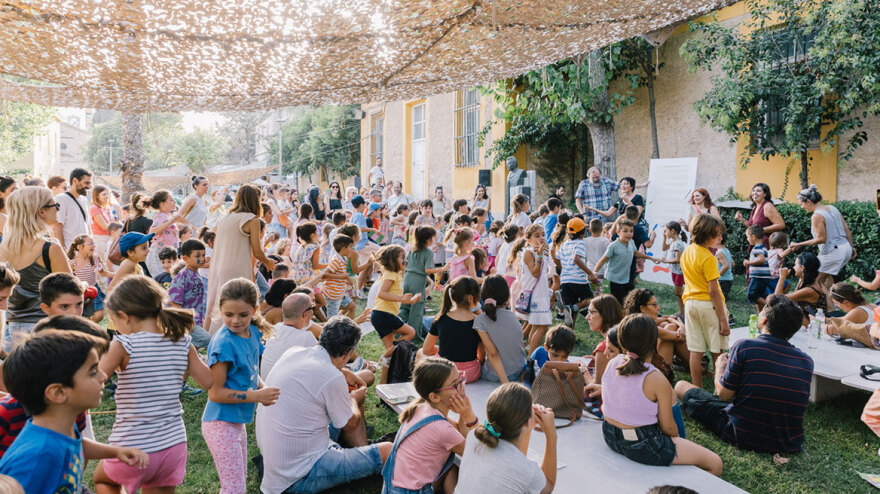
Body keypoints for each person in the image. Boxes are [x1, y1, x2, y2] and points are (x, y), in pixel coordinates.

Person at [94, 276, 213, 494]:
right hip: (173, 445)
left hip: (132, 445)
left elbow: (95, 381)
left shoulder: (123, 344)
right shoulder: (183, 340)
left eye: (115, 321)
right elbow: (208, 382)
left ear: (124, 316)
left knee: (103, 481)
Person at [256, 315, 393, 494]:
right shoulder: (331, 376)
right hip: (298, 477)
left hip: (276, 463)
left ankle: (361, 451)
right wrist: (353, 399)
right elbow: (350, 424)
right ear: (348, 353)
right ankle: (363, 453)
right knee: (388, 451)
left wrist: (343, 371)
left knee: (358, 383)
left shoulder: (295, 352)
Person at [0, 330, 148, 492]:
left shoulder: (58, 428)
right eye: (92, 371)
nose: (103, 376)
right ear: (58, 393)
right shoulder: (38, 458)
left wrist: (116, 451)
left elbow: (77, 444)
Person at [675, 295, 813, 453]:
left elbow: (723, 394)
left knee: (681, 386)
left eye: (762, 312)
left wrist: (720, 367)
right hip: (787, 442)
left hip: (741, 433)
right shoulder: (806, 361)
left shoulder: (745, 346)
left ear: (764, 321)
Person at [591, 314, 722, 475]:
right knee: (715, 463)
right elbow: (669, 428)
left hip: (610, 435)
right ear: (655, 342)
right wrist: (675, 440)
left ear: (622, 341)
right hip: (643, 445)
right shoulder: (655, 378)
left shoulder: (613, 362)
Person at [202, 278, 280, 492]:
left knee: (238, 481)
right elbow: (215, 394)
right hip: (220, 423)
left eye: (243, 315)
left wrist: (262, 389)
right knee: (234, 488)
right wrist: (256, 397)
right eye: (228, 315)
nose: (235, 321)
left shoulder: (253, 332)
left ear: (254, 310)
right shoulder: (223, 343)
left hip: (237, 420)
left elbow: (252, 372)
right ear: (221, 310)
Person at [382, 357, 474, 494]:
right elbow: (477, 455)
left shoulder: (422, 407)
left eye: (461, 379)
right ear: (435, 397)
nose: (462, 386)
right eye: (455, 385)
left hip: (393, 487)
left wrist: (462, 411)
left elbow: (459, 431)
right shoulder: (442, 429)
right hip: (411, 491)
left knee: (452, 465)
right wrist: (469, 416)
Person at [0, 187, 71, 350]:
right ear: (41, 211)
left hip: (12, 328)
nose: (58, 209)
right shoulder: (50, 248)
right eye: (55, 205)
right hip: (45, 327)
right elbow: (70, 291)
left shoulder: (3, 247)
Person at [454, 383, 557, 494]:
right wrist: (551, 435)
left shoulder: (474, 437)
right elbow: (548, 485)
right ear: (527, 422)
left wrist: (527, 427)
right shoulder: (528, 471)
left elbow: (516, 454)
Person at [205, 185, 276, 334]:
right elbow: (257, 251)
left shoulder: (225, 218)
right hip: (238, 266)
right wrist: (268, 262)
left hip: (219, 266)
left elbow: (214, 232)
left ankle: (214, 335)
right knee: (241, 302)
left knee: (221, 301)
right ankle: (239, 334)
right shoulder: (252, 220)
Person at [680, 214, 729, 386]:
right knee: (717, 351)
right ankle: (719, 388)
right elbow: (714, 291)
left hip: (691, 305)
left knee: (696, 350)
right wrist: (723, 319)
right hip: (709, 306)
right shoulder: (708, 257)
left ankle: (696, 387)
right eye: (717, 235)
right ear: (705, 234)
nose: (720, 238)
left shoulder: (687, 251)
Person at [789, 185, 855, 293]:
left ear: (809, 201)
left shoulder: (816, 216)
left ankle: (828, 307)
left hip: (833, 251)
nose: (801, 207)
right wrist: (851, 247)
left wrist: (799, 244)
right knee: (826, 276)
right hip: (845, 248)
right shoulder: (832, 208)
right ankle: (832, 303)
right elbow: (846, 229)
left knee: (815, 280)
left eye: (801, 204)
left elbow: (821, 239)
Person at [422, 276, 482, 383]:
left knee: (419, 353)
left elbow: (426, 350)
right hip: (471, 374)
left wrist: (440, 349)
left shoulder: (441, 318)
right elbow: (482, 356)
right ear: (471, 298)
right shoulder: (479, 321)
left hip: (444, 372)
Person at [372, 245, 420, 379]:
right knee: (410, 332)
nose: (405, 260)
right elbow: (382, 293)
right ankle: (386, 355)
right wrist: (401, 298)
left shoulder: (395, 274)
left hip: (380, 315)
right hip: (383, 314)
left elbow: (395, 298)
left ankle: (384, 385)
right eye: (402, 258)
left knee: (392, 352)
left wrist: (410, 300)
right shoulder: (390, 274)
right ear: (393, 259)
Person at [592, 219, 658, 304]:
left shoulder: (631, 242)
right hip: (613, 279)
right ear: (618, 233)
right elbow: (602, 260)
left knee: (627, 301)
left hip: (626, 278)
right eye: (625, 231)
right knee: (616, 303)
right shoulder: (613, 246)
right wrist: (595, 272)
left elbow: (635, 252)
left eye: (631, 231)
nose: (629, 234)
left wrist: (650, 258)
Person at [399, 226, 448, 337]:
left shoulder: (412, 249)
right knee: (416, 309)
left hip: (407, 278)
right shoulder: (428, 252)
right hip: (418, 281)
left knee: (404, 306)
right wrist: (442, 269)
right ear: (428, 239)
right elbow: (427, 270)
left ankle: (398, 330)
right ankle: (415, 334)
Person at [475, 276, 525, 383]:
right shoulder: (513, 316)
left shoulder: (480, 321)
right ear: (507, 295)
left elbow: (491, 354)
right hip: (518, 369)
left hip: (494, 375)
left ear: (482, 295)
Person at [260, 293, 318, 379]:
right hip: (283, 389)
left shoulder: (275, 328)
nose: (314, 310)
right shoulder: (306, 337)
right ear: (305, 315)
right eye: (312, 307)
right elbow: (326, 361)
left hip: (267, 384)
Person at [168, 238, 212, 350]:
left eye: (203, 255)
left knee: (191, 351)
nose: (202, 259)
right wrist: (185, 324)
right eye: (197, 256)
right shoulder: (182, 276)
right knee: (208, 340)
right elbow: (174, 302)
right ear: (185, 258)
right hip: (186, 323)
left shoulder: (197, 274)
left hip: (195, 321)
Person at [555, 217, 598, 327]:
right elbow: (576, 259)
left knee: (572, 312)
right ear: (582, 233)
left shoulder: (564, 244)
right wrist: (590, 273)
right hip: (578, 279)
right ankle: (570, 307)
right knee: (591, 299)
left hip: (565, 280)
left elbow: (557, 258)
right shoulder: (580, 243)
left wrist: (564, 269)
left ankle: (569, 334)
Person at [67, 234, 114, 322]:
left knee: (99, 315)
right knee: (83, 314)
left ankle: (91, 325)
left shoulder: (94, 259)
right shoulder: (73, 263)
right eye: (91, 243)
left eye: (94, 243)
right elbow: (68, 277)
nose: (94, 245)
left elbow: (102, 272)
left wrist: (117, 275)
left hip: (94, 289)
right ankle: (86, 327)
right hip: (80, 291)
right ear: (80, 247)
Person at [144, 189, 185, 278]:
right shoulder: (161, 216)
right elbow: (152, 232)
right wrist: (172, 221)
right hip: (159, 254)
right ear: (162, 204)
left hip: (166, 254)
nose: (174, 202)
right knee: (162, 281)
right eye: (171, 200)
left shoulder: (167, 216)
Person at [824, 282, 878, 348]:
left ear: (846, 302)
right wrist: (823, 320)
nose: (837, 306)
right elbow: (842, 319)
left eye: (836, 303)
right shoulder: (872, 306)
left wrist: (816, 323)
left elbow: (832, 329)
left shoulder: (858, 311)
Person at [588, 294, 625, 385]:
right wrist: (599, 361)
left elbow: (596, 387)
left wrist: (583, 369)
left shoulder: (604, 347)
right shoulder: (625, 337)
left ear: (605, 314)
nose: (587, 317)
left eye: (591, 312)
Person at [734, 182, 785, 247]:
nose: (754, 193)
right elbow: (753, 228)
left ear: (765, 194)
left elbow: (781, 225)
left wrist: (761, 230)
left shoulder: (767, 206)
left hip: (766, 246)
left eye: (758, 191)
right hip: (757, 245)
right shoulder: (755, 207)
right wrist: (742, 220)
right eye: (753, 190)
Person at [53, 167, 93, 249]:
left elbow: (88, 226)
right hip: (69, 250)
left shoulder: (84, 200)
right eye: (86, 183)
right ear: (75, 181)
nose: (89, 186)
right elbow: (57, 227)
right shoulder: (61, 199)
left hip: (84, 251)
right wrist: (63, 250)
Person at [659, 221, 688, 317]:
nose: (665, 232)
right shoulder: (673, 242)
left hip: (680, 272)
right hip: (675, 271)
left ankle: (690, 299)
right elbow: (664, 248)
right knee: (678, 293)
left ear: (673, 231)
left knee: (678, 292)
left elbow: (678, 259)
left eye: (666, 231)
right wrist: (664, 237)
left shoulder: (678, 244)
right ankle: (681, 312)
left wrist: (665, 261)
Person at [744, 225, 772, 312]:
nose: (747, 239)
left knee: (752, 294)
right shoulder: (763, 247)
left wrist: (748, 263)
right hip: (764, 277)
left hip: (759, 277)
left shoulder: (757, 247)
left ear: (753, 237)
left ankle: (772, 308)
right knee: (760, 296)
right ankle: (760, 315)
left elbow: (761, 259)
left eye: (747, 237)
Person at [89, 184, 115, 261]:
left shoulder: (107, 207)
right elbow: (104, 226)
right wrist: (117, 227)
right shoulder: (94, 208)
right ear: (97, 196)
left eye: (108, 193)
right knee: (103, 262)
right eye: (104, 194)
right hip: (100, 239)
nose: (107, 196)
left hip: (109, 237)